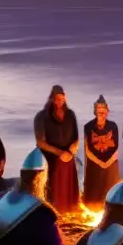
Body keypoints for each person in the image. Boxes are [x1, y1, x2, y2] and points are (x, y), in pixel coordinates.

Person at [34, 85, 81, 213]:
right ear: (51, 99)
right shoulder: (42, 116)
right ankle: (52, 212)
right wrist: (59, 153)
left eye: (61, 98)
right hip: (50, 158)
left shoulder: (70, 115)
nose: (59, 101)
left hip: (68, 157)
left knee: (69, 191)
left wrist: (70, 152)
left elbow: (76, 138)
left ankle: (70, 211)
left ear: (65, 98)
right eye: (56, 99)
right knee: (53, 191)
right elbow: (40, 142)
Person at [83, 95, 120, 208]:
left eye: (104, 111)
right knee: (95, 193)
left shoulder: (113, 126)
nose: (102, 114)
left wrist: (108, 163)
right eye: (99, 111)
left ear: (107, 112)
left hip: (110, 163)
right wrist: (99, 163)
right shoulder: (88, 127)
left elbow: (116, 147)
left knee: (110, 190)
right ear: (95, 111)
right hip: (94, 164)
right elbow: (87, 149)